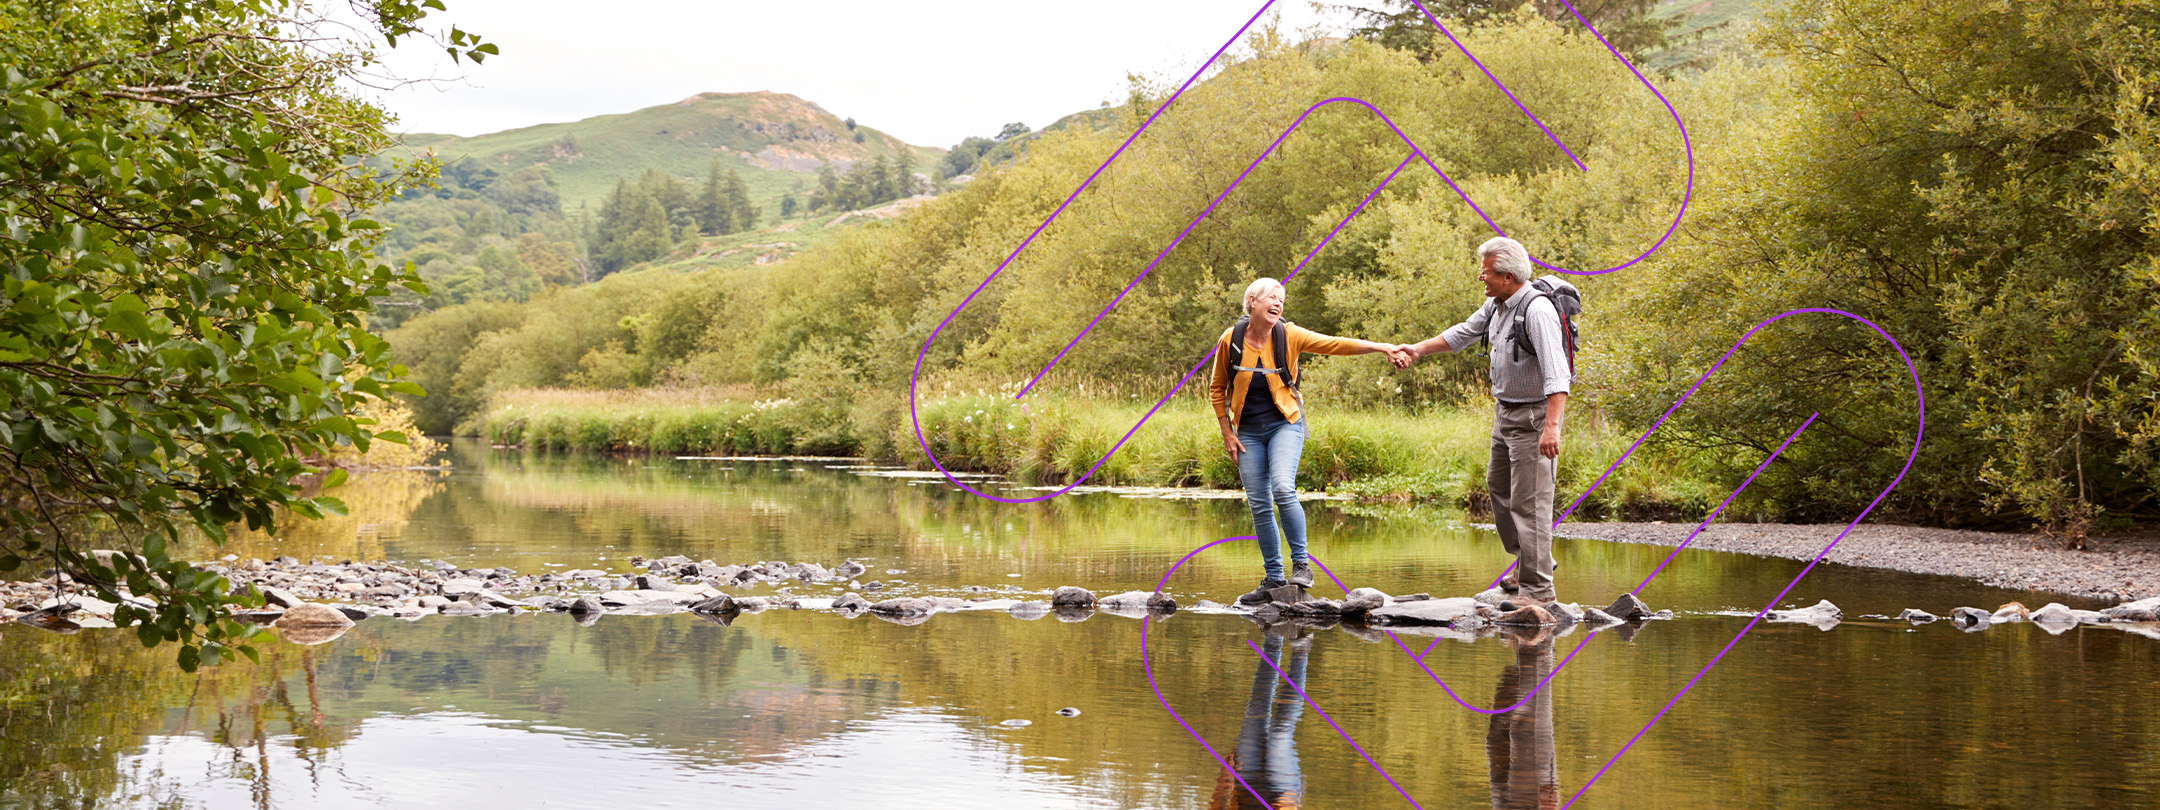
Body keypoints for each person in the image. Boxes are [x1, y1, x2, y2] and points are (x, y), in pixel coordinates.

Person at [1210, 278, 1408, 606]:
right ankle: (1273, 578)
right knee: (1259, 503)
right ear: (1252, 302)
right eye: (1271, 298)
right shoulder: (1229, 340)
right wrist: (1226, 431)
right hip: (1245, 432)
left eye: (1282, 299)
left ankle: (1302, 566)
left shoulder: (1289, 335)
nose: (1278, 303)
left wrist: (1382, 347)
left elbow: (1335, 343)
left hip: (1285, 424)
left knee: (1283, 488)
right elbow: (1217, 387)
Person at [1394, 237, 1571, 607]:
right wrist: (1418, 349)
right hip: (1504, 413)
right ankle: (1529, 563)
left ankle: (1538, 591)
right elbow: (1463, 332)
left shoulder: (1537, 312)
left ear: (1508, 276)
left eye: (1486, 272)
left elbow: (1558, 374)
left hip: (1534, 418)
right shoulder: (1497, 304)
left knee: (1530, 503)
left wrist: (1552, 427)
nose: (1481, 277)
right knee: (1499, 489)